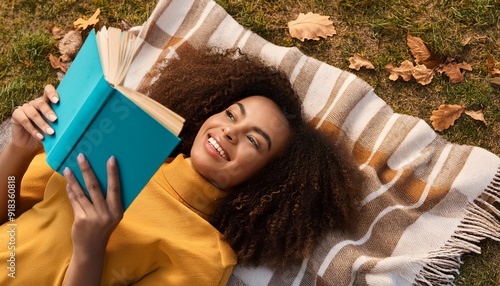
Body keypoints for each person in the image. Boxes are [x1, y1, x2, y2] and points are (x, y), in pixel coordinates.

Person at [0, 49, 364, 285]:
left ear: (268, 180)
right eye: (231, 114)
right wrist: (18, 150)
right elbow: (10, 213)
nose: (230, 131)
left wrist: (90, 246)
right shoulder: (119, 145)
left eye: (254, 140)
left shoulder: (203, 257)